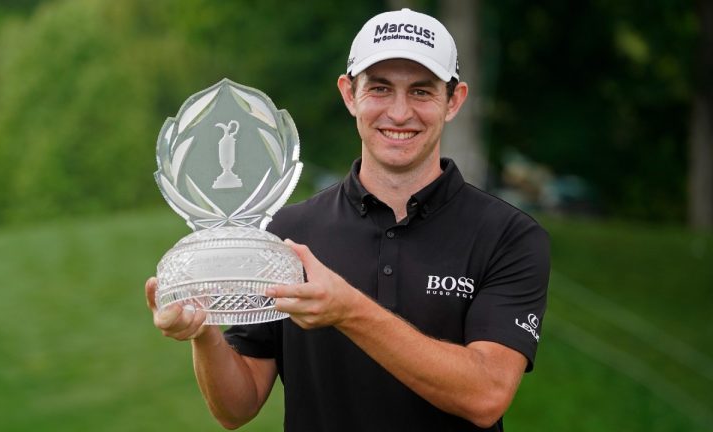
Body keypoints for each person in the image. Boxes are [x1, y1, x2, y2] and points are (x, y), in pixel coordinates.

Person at [145, 8, 549, 432]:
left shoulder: (509, 235)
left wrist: (347, 309)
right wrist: (203, 330)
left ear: (455, 101)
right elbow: (236, 408)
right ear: (348, 93)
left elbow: (485, 395)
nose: (398, 112)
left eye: (421, 92)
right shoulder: (288, 234)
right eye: (379, 88)